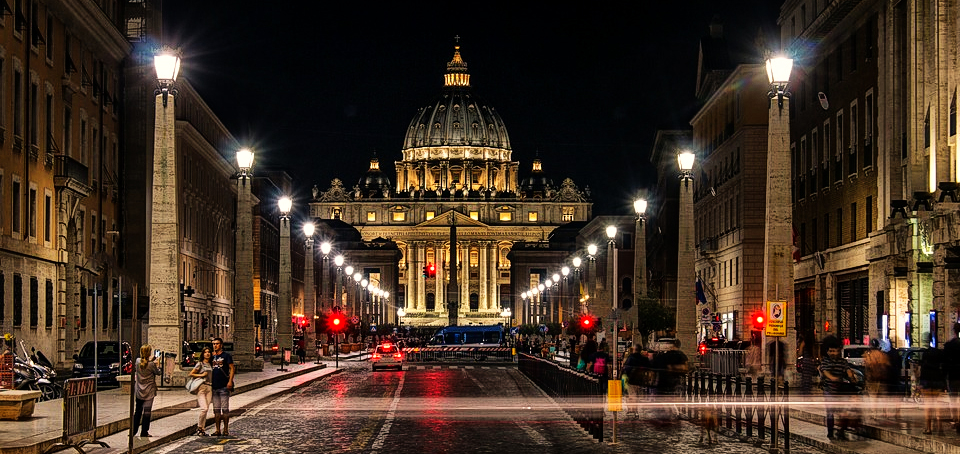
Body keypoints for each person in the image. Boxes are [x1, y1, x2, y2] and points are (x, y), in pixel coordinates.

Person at [820, 335, 858, 440]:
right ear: (827, 351)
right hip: (829, 390)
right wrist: (832, 378)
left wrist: (852, 378)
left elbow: (848, 370)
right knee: (830, 412)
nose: (833, 353)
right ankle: (830, 431)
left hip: (840, 390)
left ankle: (842, 430)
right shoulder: (825, 361)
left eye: (835, 351)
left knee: (844, 411)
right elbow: (825, 371)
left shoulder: (842, 362)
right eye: (831, 351)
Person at [132, 344, 160, 438]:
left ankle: (133, 431)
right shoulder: (152, 364)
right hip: (149, 391)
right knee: (147, 413)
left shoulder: (137, 361)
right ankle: (144, 432)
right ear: (149, 353)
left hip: (139, 390)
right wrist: (158, 363)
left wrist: (150, 361)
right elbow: (158, 372)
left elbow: (144, 364)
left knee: (137, 411)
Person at [919, 336, 945, 434]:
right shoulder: (938, 353)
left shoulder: (925, 355)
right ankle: (940, 427)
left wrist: (920, 383)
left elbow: (923, 371)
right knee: (938, 406)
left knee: (928, 406)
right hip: (937, 382)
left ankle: (928, 428)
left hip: (927, 383)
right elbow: (942, 368)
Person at [211, 337, 235, 437]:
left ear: (221, 345)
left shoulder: (226, 356)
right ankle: (217, 430)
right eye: (213, 344)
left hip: (224, 386)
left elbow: (232, 368)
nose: (215, 345)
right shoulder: (211, 357)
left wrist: (230, 381)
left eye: (217, 344)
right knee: (216, 410)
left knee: (225, 409)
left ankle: (225, 429)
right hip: (214, 386)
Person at [863, 339, 890, 419]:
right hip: (882, 379)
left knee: (873, 397)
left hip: (872, 379)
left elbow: (867, 367)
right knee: (883, 397)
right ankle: (884, 413)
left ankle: (874, 414)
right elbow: (887, 366)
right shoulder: (883, 355)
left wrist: (866, 378)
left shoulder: (869, 355)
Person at [621, 345, 652, 418]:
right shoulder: (644, 359)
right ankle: (635, 410)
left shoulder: (631, 358)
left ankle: (631, 410)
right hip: (640, 379)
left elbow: (626, 369)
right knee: (636, 395)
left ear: (634, 349)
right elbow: (649, 367)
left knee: (631, 395)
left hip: (631, 379)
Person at [190, 347, 214, 436]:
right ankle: (199, 427)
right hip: (202, 387)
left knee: (206, 409)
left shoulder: (211, 364)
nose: (207, 354)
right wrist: (201, 375)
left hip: (210, 387)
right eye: (205, 352)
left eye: (209, 352)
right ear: (202, 354)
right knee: (204, 408)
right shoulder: (200, 364)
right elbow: (191, 373)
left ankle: (202, 429)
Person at [943, 323, 960, 432]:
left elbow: (944, 362)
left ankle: (955, 419)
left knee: (953, 398)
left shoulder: (949, 345)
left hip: (953, 375)